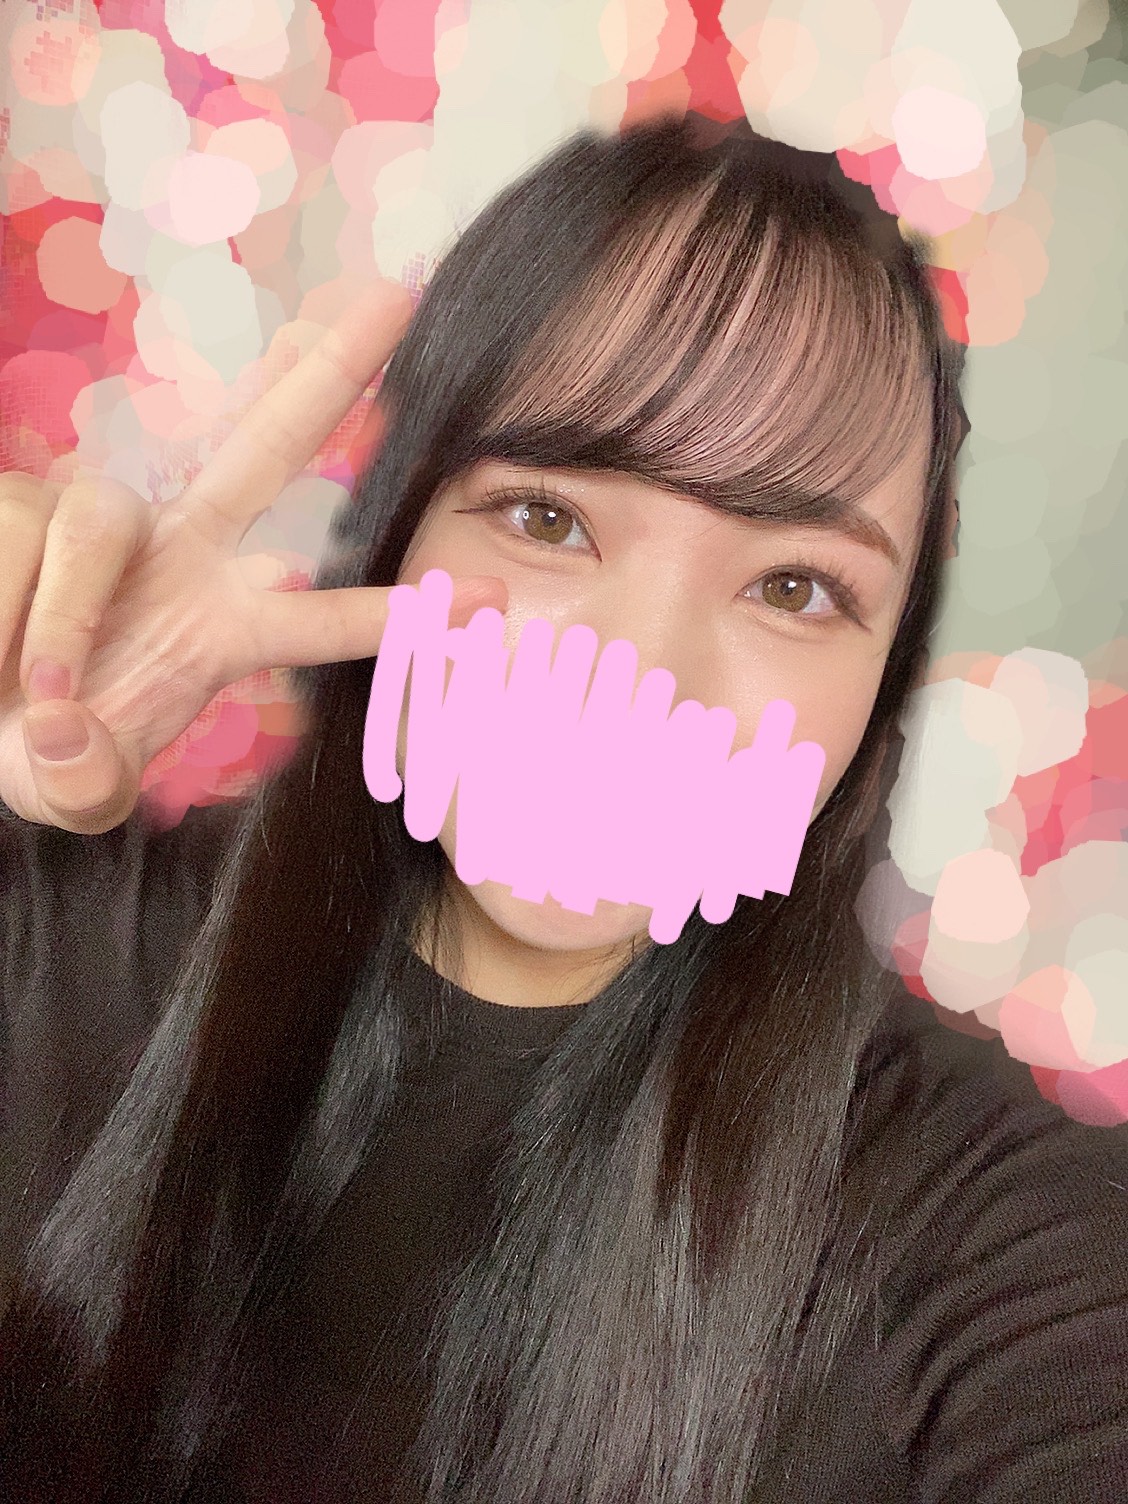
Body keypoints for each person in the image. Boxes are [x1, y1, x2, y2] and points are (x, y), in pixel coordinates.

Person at [0, 112, 1125, 1504]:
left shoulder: (986, 1220)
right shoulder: (59, 936)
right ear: (400, 531)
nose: (645, 669)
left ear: (878, 692)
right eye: (547, 519)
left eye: (794, 588)